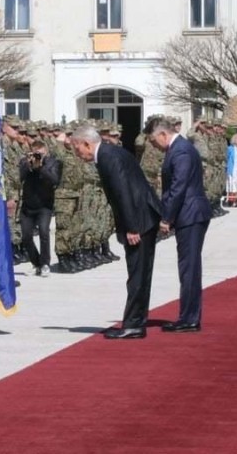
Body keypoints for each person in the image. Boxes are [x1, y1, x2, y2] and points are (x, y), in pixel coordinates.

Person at [70, 125, 161, 340]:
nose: (77, 154)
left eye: (77, 149)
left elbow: (123, 192)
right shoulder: (109, 153)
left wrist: (131, 227)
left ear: (86, 143)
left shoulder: (108, 156)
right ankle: (135, 321)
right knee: (140, 273)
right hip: (142, 216)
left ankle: (133, 325)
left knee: (137, 274)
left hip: (139, 220)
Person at [146, 117, 211, 333]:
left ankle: (190, 318)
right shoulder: (180, 148)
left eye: (154, 141)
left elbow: (178, 187)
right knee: (187, 267)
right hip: (189, 213)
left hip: (190, 214)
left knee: (189, 268)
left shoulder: (181, 151)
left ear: (163, 134)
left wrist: (167, 218)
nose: (154, 146)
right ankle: (188, 315)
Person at [18, 140, 61, 277]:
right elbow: (19, 177)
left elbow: (55, 180)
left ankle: (45, 264)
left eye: (40, 153)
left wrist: (41, 167)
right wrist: (29, 165)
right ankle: (35, 262)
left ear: (46, 151)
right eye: (35, 153)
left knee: (44, 232)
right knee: (26, 236)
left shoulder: (53, 162)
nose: (37, 156)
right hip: (28, 206)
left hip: (44, 205)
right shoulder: (25, 162)